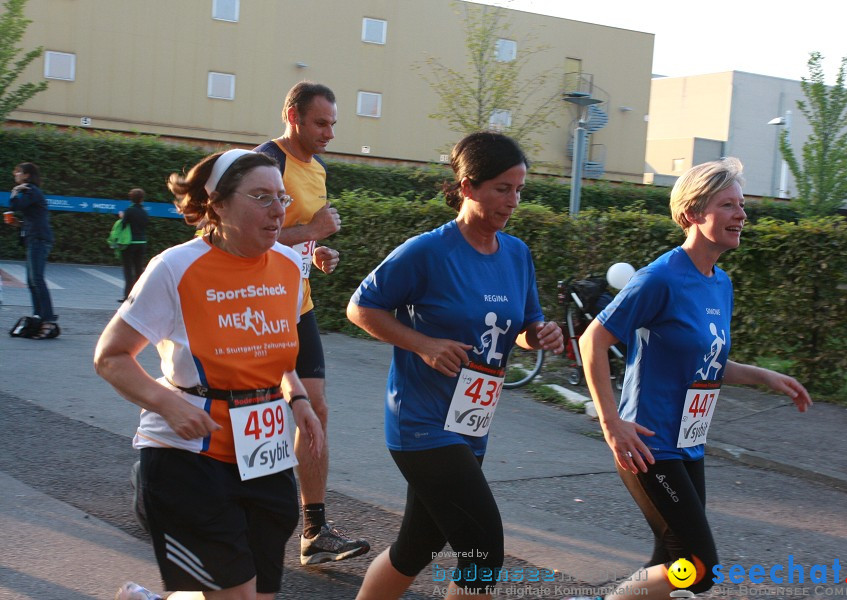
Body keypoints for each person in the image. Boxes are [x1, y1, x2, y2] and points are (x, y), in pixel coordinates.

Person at [578, 157, 812, 599]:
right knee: (697, 567)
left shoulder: (719, 283)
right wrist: (612, 424)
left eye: (742, 205)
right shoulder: (660, 278)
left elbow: (704, 363)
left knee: (671, 561)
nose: (742, 214)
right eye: (728, 205)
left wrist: (765, 376)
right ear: (691, 214)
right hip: (648, 444)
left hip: (688, 442)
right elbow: (592, 341)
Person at [94, 149, 324, 600]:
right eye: (261, 197)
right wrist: (166, 402)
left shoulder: (287, 267)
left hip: (264, 454)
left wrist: (298, 399)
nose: (279, 209)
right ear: (217, 204)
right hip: (187, 459)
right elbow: (111, 356)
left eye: (281, 196)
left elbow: (274, 354)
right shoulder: (175, 268)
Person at [346, 131, 564, 600]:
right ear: (467, 186)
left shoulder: (516, 253)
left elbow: (524, 326)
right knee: (484, 550)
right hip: (421, 424)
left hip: (471, 421)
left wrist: (540, 334)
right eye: (502, 189)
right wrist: (422, 343)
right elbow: (361, 308)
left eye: (520, 189)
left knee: (417, 546)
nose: (514, 201)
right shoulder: (427, 251)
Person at [254, 80, 370, 565]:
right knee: (248, 414)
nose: (329, 133)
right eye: (321, 123)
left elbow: (292, 237)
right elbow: (249, 235)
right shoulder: (264, 163)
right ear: (292, 115)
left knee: (315, 408)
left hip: (296, 304)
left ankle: (315, 530)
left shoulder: (317, 170)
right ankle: (193, 491)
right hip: (256, 306)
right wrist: (314, 230)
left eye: (333, 124)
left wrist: (315, 250)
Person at [8, 162, 58, 339]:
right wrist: (18, 224)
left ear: (27, 175)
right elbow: (34, 218)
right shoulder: (30, 191)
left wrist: (15, 191)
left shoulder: (31, 190)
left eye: (18, 172)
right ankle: (39, 315)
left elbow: (16, 205)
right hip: (35, 238)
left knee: (36, 278)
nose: (15, 175)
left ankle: (48, 317)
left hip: (39, 239)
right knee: (31, 280)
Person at [120, 188, 149, 301]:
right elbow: (146, 224)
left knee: (128, 269)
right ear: (142, 199)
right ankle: (139, 294)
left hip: (130, 243)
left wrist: (122, 217)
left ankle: (127, 295)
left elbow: (123, 225)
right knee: (138, 269)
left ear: (131, 199)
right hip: (142, 242)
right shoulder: (144, 212)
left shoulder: (129, 210)